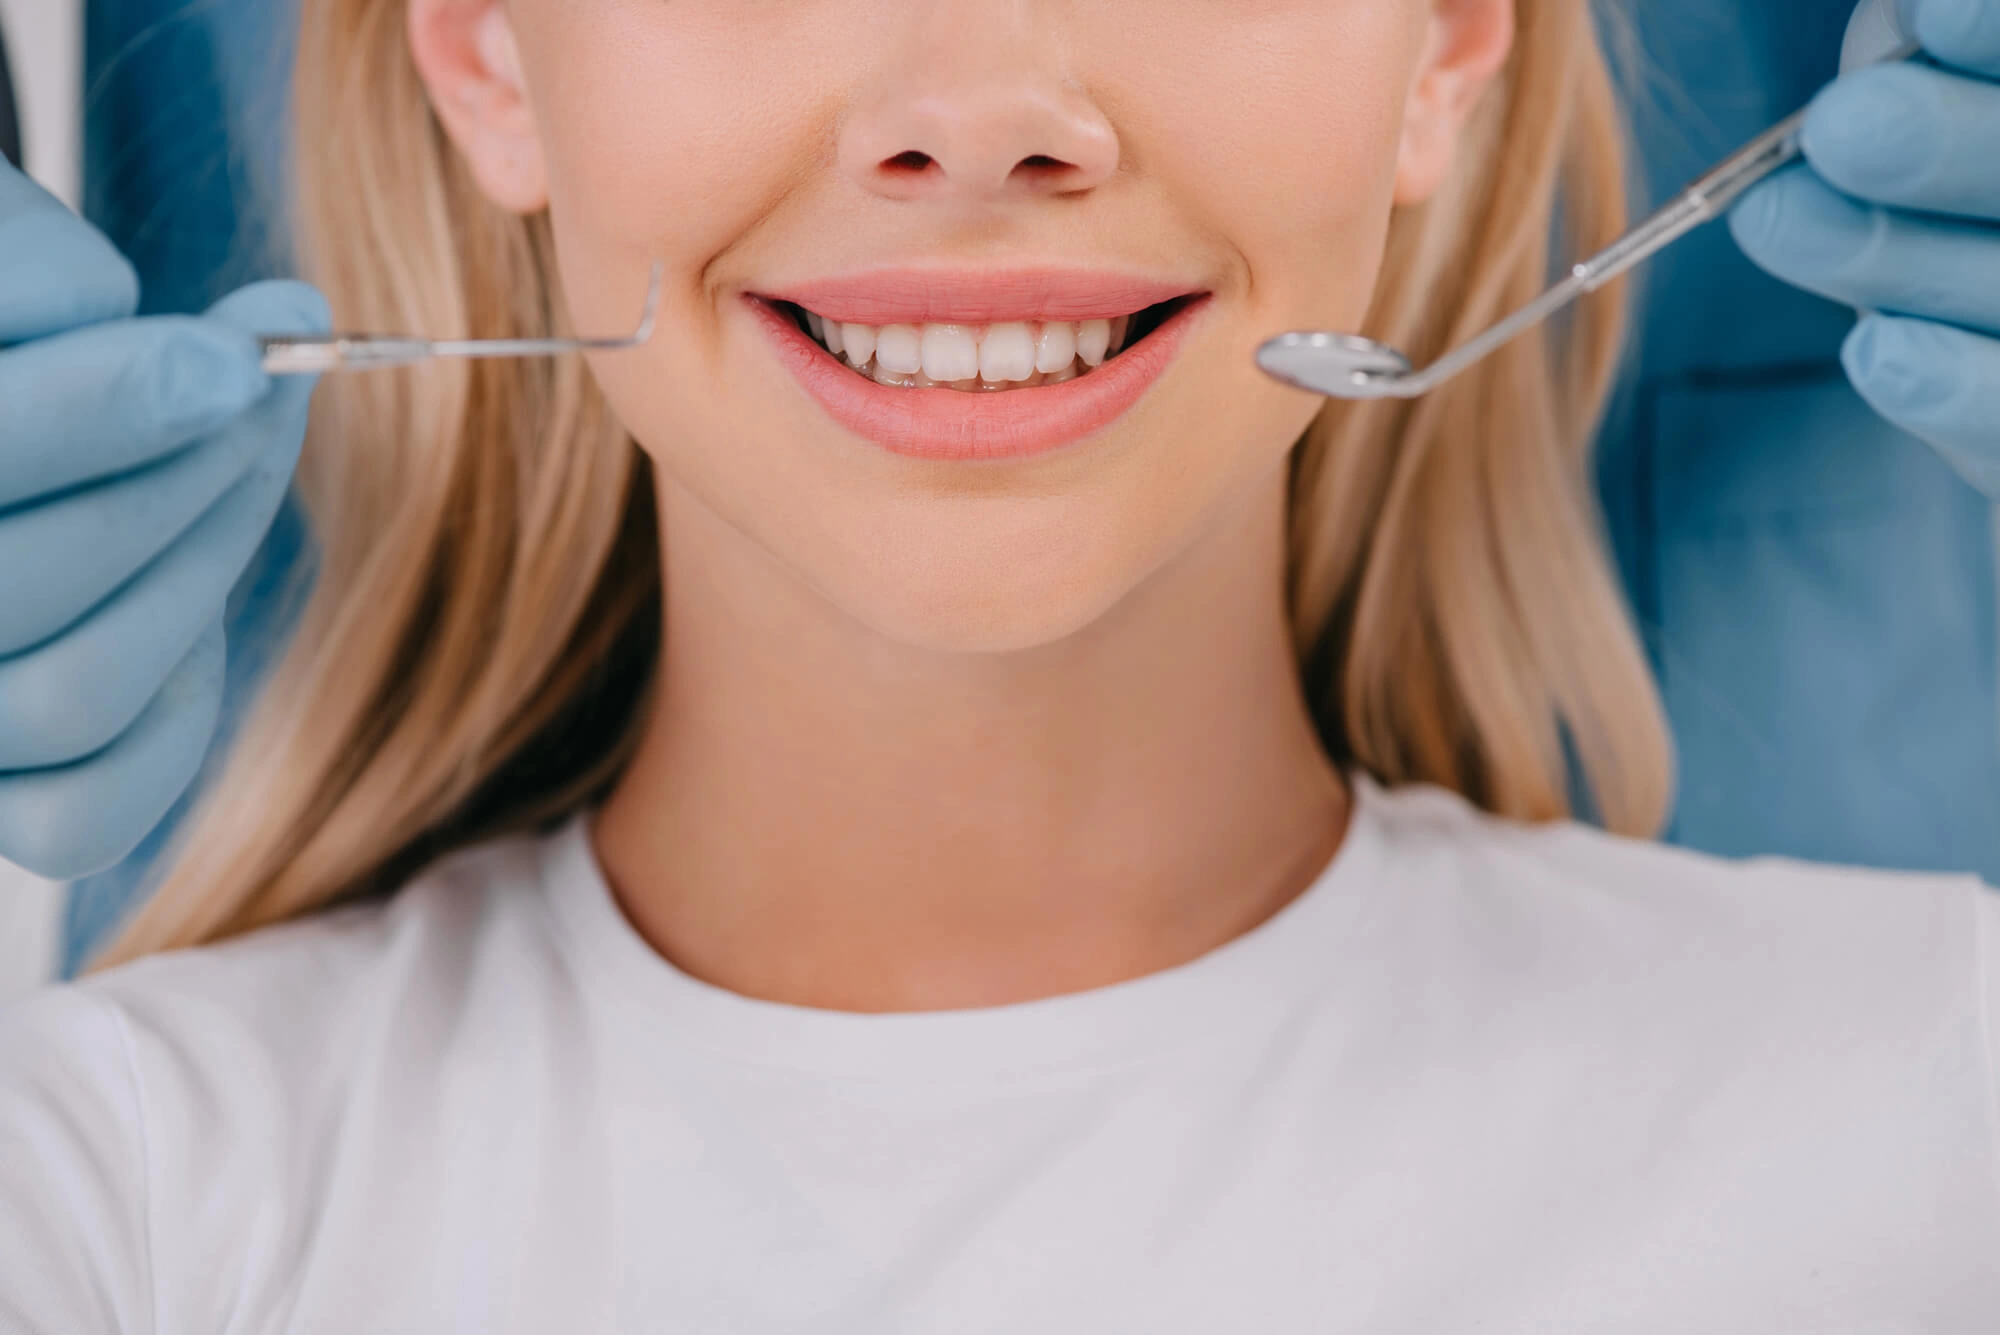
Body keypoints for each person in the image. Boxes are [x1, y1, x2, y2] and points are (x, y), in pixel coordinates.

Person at [2, 0, 1996, 1327]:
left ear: (1442, 45)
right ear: (491, 56)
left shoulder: (1932, 1111)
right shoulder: (124, 1197)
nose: (978, 120)